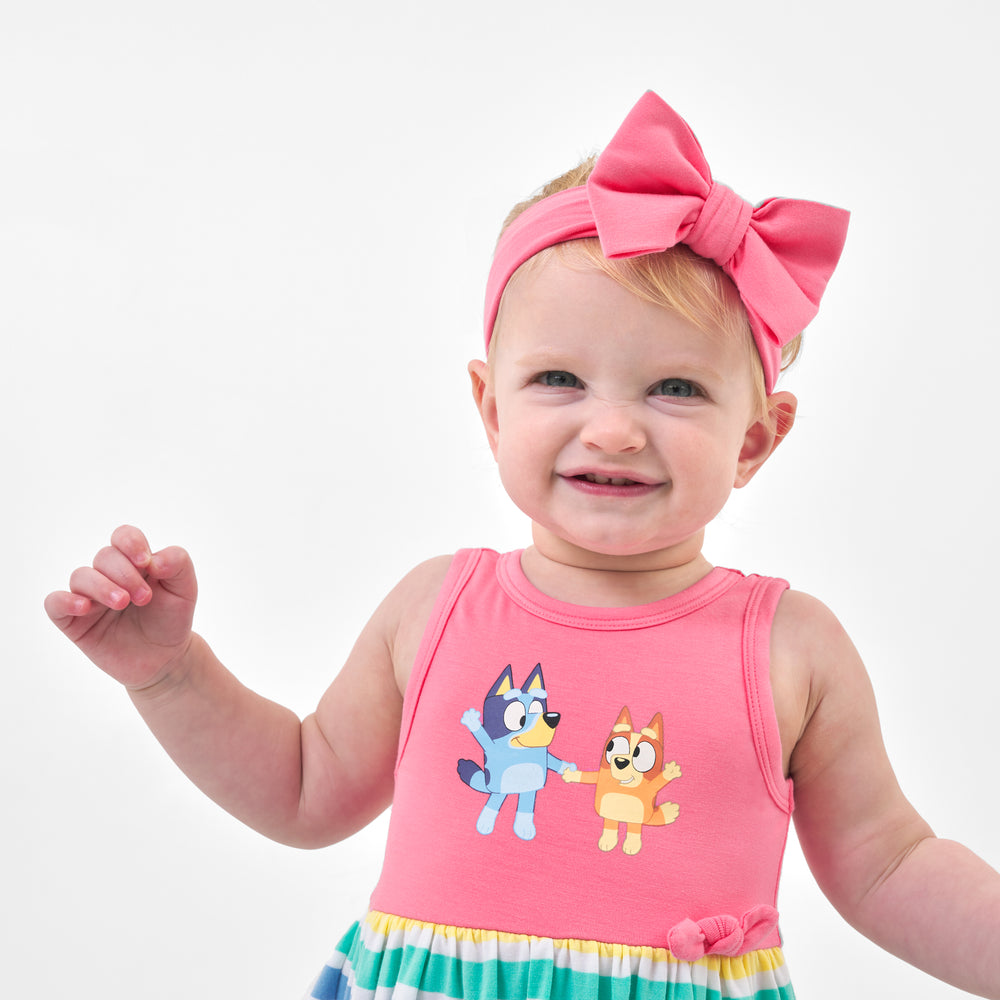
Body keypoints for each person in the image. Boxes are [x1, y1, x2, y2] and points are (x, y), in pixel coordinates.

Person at [44, 92, 1000, 999]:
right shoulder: (435, 609)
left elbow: (888, 866)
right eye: (558, 379)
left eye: (675, 389)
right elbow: (300, 789)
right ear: (490, 408)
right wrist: (170, 676)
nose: (615, 429)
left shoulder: (791, 647)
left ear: (755, 438)